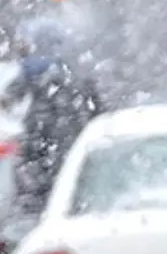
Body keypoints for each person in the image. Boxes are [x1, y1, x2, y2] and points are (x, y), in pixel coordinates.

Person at [0, 15, 105, 216]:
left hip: (46, 146)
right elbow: (96, 105)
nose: (22, 47)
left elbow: (12, 95)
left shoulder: (37, 69)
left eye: (26, 41)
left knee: (38, 195)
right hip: (68, 143)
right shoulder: (72, 69)